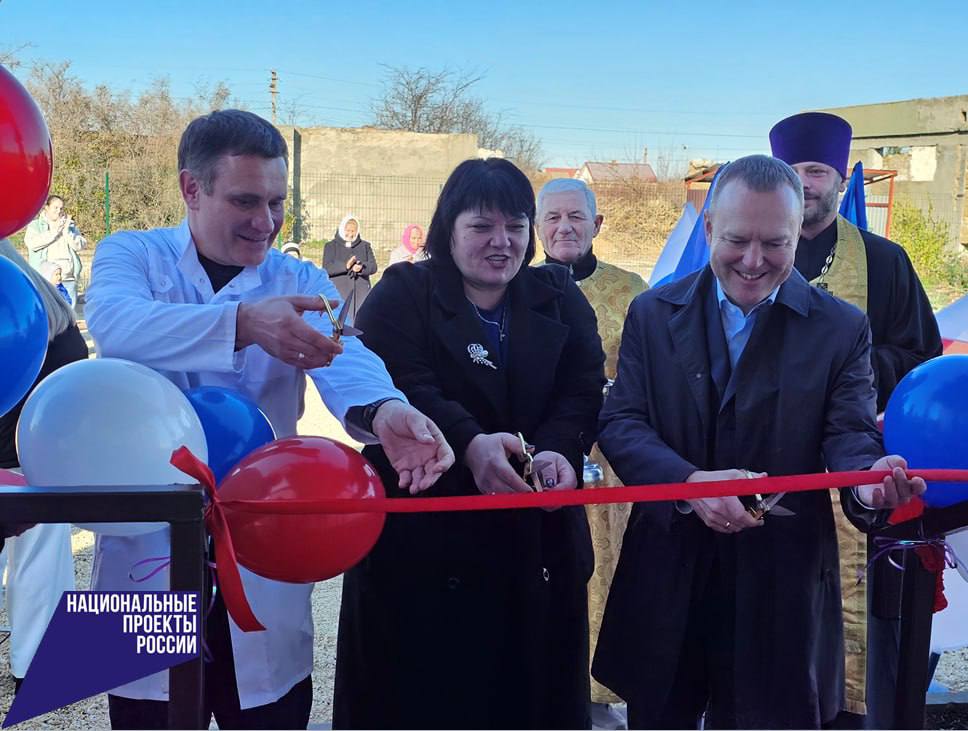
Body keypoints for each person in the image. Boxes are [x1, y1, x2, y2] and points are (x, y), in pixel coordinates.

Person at [85, 109, 454, 731]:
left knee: (267, 706)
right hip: (149, 535)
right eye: (245, 201)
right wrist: (245, 324)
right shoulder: (133, 253)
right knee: (148, 711)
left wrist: (384, 409)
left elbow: (345, 354)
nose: (265, 221)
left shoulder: (298, 276)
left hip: (267, 530)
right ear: (191, 188)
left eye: (277, 202)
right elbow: (117, 325)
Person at [591, 155, 927, 729]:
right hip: (669, 567)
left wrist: (869, 485)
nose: (753, 261)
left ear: (798, 234)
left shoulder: (841, 328)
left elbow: (847, 434)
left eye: (775, 244)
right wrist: (690, 484)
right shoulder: (652, 312)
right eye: (737, 240)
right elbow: (623, 422)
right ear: (708, 229)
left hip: (781, 576)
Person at [333, 158, 606, 729]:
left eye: (515, 226)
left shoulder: (557, 294)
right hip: (424, 543)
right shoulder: (404, 293)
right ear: (449, 228)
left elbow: (583, 388)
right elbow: (402, 381)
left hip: (535, 542)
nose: (501, 242)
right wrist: (470, 442)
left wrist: (557, 449)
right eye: (481, 226)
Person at [770, 112, 943, 727]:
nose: (805, 183)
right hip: (774, 463)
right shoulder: (754, 256)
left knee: (867, 637)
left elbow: (921, 356)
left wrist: (849, 366)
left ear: (841, 181)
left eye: (817, 171)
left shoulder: (884, 260)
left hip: (862, 463)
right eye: (793, 171)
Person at [536, 177, 645, 729]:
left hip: (613, 459)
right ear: (537, 227)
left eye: (576, 216)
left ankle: (606, 696)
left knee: (612, 570)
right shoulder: (516, 287)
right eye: (552, 218)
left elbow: (650, 372)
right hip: (542, 459)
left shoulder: (632, 290)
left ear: (597, 224)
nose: (564, 227)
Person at [0, 239, 88, 690]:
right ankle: (35, 662)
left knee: (37, 546)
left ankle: (36, 662)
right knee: (40, 552)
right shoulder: (40, 298)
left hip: (26, 431)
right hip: (43, 437)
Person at [24, 195, 87, 311]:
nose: (58, 211)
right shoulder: (35, 226)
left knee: (69, 314)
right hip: (45, 280)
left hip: (68, 278)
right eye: (55, 207)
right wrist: (54, 231)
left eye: (61, 208)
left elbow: (80, 245)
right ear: (46, 208)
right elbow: (32, 244)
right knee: (47, 312)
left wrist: (67, 231)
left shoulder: (70, 226)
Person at [321, 214, 377, 320]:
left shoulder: (365, 246)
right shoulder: (331, 246)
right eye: (348, 230)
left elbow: (373, 266)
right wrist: (345, 266)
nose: (350, 234)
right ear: (342, 229)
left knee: (360, 321)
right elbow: (327, 268)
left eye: (353, 231)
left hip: (360, 293)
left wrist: (361, 268)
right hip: (339, 291)